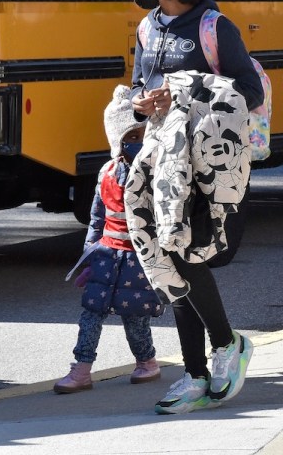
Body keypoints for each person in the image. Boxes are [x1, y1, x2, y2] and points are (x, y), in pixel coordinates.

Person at [127, 0, 264, 414]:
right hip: (161, 160)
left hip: (203, 167)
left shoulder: (213, 26)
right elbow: (140, 87)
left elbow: (249, 92)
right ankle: (196, 373)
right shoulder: (148, 28)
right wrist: (143, 102)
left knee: (186, 254)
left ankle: (225, 347)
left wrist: (184, 92)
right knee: (167, 258)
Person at [55, 85, 164, 394]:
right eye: (130, 138)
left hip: (137, 257)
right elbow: (96, 218)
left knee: (135, 315)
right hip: (106, 255)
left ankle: (147, 361)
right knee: (91, 311)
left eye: (141, 136)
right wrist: (90, 253)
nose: (137, 143)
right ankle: (81, 369)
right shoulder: (106, 172)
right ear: (117, 141)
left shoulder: (156, 172)